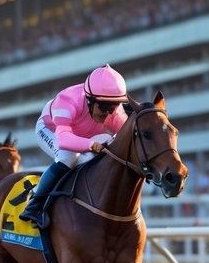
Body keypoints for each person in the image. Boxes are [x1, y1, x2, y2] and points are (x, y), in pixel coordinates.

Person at [20, 64, 130, 229]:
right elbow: (64, 140)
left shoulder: (113, 109)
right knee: (69, 157)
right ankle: (34, 205)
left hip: (83, 136)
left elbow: (126, 137)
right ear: (90, 100)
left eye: (112, 107)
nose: (107, 113)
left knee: (109, 142)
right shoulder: (68, 99)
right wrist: (90, 144)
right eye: (103, 107)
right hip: (50, 130)